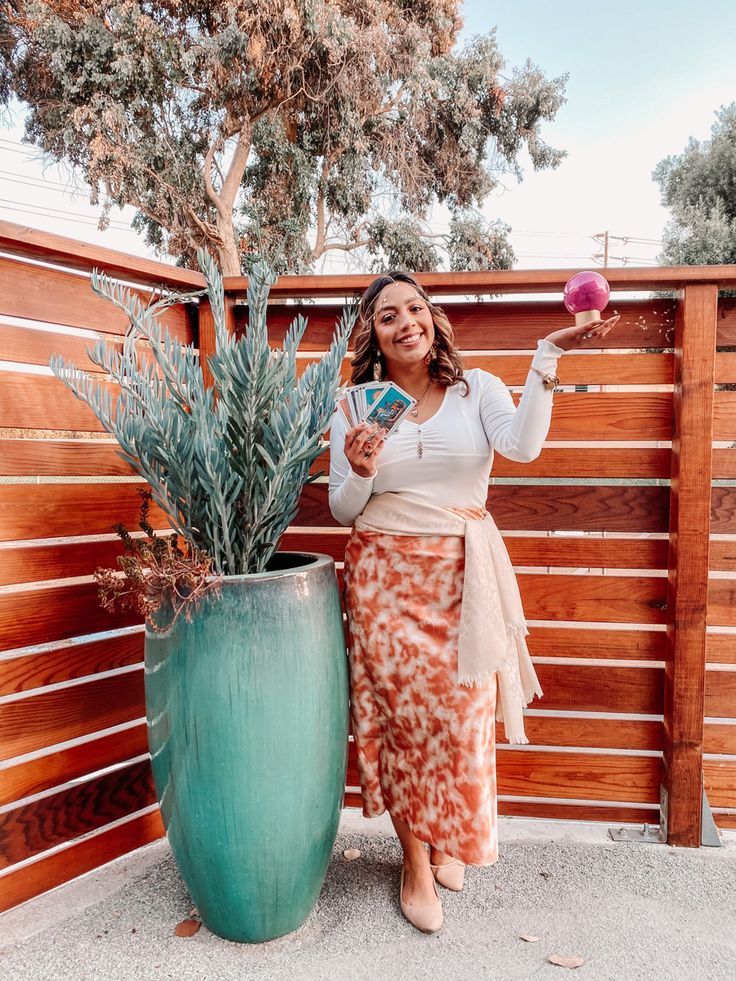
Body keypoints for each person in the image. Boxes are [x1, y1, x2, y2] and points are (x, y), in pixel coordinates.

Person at [328, 271, 619, 934]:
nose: (406, 323)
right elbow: (345, 509)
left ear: (432, 318)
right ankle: (415, 864)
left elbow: (523, 445)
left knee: (460, 717)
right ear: (371, 334)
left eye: (415, 308)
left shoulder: (476, 389)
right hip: (384, 578)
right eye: (387, 316)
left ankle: (447, 832)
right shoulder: (355, 403)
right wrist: (364, 471)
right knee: (400, 721)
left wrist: (548, 354)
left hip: (461, 574)